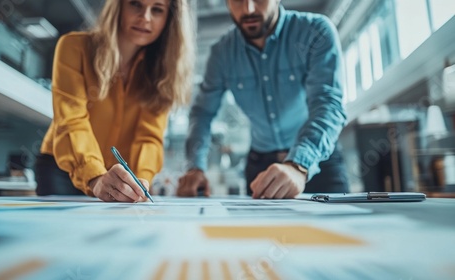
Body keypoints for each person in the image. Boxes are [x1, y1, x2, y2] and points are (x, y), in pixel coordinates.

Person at [177, 0, 349, 199]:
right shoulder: (222, 54)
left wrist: (298, 164)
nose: (248, 9)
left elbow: (328, 105)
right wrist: (195, 167)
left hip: (317, 159)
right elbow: (203, 113)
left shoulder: (315, 32)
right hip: (261, 167)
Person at [35, 0, 194, 202]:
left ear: (168, 20)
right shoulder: (73, 47)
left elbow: (149, 138)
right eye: (135, 4)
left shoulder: (161, 72)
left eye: (157, 9)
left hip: (118, 178)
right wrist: (95, 177)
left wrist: (140, 180)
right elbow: (71, 121)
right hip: (61, 169)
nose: (145, 17)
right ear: (118, 6)